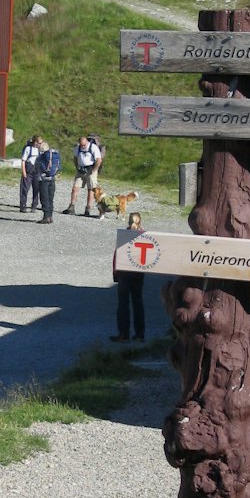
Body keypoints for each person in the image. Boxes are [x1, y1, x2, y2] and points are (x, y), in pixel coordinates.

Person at [111, 212, 147, 342]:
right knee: (138, 303)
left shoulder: (124, 235)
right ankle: (140, 334)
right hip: (138, 273)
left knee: (123, 304)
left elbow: (117, 255)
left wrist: (115, 273)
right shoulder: (145, 235)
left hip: (124, 272)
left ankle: (123, 333)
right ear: (140, 222)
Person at [64, 135, 104, 216]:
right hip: (81, 170)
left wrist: (94, 170)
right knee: (75, 187)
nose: (82, 146)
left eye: (84, 145)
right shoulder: (77, 147)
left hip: (91, 169)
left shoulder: (93, 147)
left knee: (91, 189)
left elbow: (99, 160)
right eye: (81, 145)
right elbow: (75, 158)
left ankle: (88, 208)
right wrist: (77, 167)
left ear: (87, 142)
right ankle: (71, 206)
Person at [35, 140, 61, 223]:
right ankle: (50, 216)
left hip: (44, 179)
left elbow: (38, 167)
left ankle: (46, 217)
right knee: (50, 198)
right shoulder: (54, 155)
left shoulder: (41, 157)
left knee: (44, 198)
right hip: (52, 179)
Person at [19, 134, 41, 212]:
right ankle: (23, 205)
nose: (40, 145)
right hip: (28, 171)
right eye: (39, 143)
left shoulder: (40, 150)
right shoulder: (28, 149)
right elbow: (23, 160)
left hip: (37, 171)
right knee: (25, 189)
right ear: (35, 142)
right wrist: (24, 172)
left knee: (36, 189)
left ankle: (34, 205)